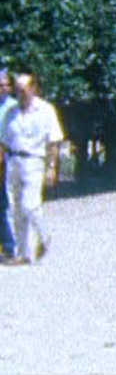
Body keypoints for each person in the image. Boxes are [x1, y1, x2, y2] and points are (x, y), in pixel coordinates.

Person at [0, 72, 65, 265]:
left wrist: (52, 168)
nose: (21, 93)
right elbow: (3, 141)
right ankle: (24, 253)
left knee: (30, 205)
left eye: (24, 89)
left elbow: (53, 141)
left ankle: (44, 236)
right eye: (18, 90)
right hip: (13, 161)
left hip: (34, 161)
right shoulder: (11, 113)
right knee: (16, 209)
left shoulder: (46, 110)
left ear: (34, 89)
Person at [0, 68, 17, 259]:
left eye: (6, 85)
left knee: (4, 203)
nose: (3, 89)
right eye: (0, 85)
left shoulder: (14, 107)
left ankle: (9, 245)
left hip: (9, 159)